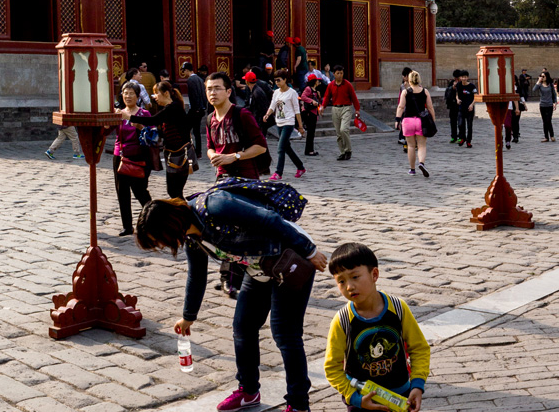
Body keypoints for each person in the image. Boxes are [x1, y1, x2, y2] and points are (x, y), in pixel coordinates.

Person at [142, 181, 329, 412]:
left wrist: (309, 250)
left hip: (291, 257)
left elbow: (269, 219)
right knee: (243, 328)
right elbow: (197, 276)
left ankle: (298, 404)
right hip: (258, 268)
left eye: (156, 240)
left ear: (168, 226)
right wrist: (188, 317)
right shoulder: (191, 237)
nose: (160, 245)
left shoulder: (214, 205)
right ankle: (249, 391)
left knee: (285, 333)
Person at [322, 243, 431, 412]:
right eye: (341, 281)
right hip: (362, 403)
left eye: (355, 277)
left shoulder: (398, 308)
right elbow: (332, 368)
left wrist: (417, 385)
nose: (349, 286)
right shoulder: (342, 320)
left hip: (401, 398)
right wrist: (355, 398)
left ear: (374, 274)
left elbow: (420, 348)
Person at [113, 83, 165, 235]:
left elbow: (154, 135)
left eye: (131, 93)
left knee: (140, 191)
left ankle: (152, 221)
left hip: (140, 156)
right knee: (122, 192)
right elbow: (108, 130)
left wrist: (140, 127)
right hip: (121, 156)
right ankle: (127, 226)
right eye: (125, 93)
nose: (127, 96)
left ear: (137, 96)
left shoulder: (144, 114)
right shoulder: (119, 113)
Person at [204, 72, 270, 181]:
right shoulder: (210, 119)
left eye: (217, 88)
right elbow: (210, 147)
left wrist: (234, 157)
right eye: (209, 89)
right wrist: (213, 156)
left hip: (245, 178)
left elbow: (261, 147)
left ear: (228, 92)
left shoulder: (242, 114)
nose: (213, 93)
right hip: (222, 177)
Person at [151, 79, 198, 199]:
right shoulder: (170, 108)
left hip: (180, 155)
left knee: (174, 192)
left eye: (156, 93)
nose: (154, 97)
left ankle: (184, 214)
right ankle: (182, 213)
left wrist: (129, 117)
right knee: (174, 191)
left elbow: (152, 120)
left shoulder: (173, 108)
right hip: (173, 155)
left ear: (166, 93)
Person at [265, 74, 307, 181]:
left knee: (281, 148)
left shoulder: (292, 93)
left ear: (285, 79)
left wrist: (300, 126)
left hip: (289, 122)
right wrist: (267, 114)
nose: (277, 83)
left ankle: (278, 172)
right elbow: (272, 105)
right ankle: (300, 167)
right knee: (286, 147)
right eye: (275, 81)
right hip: (279, 122)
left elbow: (297, 110)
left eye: (279, 80)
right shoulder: (276, 92)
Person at [399, 70, 434, 176]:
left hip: (408, 121)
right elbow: (430, 107)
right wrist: (433, 119)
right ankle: (422, 163)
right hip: (421, 121)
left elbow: (401, 107)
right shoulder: (425, 91)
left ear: (409, 80)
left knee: (410, 146)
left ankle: (412, 169)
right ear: (419, 80)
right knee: (422, 145)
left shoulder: (405, 92)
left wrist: (397, 119)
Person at [327, 71, 361, 162]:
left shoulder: (348, 85)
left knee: (344, 129)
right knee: (338, 133)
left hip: (346, 108)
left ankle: (348, 150)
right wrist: (322, 106)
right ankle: (342, 152)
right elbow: (327, 97)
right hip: (335, 109)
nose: (340, 75)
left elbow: (354, 97)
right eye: (338, 73)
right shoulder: (331, 85)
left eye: (341, 73)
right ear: (334, 74)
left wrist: (357, 109)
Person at [446, 70, 476, 147]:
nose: (464, 78)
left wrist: (472, 105)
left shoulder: (472, 86)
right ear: (460, 78)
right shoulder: (458, 85)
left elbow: (476, 96)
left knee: (469, 125)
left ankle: (469, 141)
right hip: (461, 108)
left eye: (465, 77)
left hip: (469, 108)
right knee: (460, 124)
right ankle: (462, 138)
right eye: (462, 77)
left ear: (468, 77)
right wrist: (457, 99)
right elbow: (456, 94)